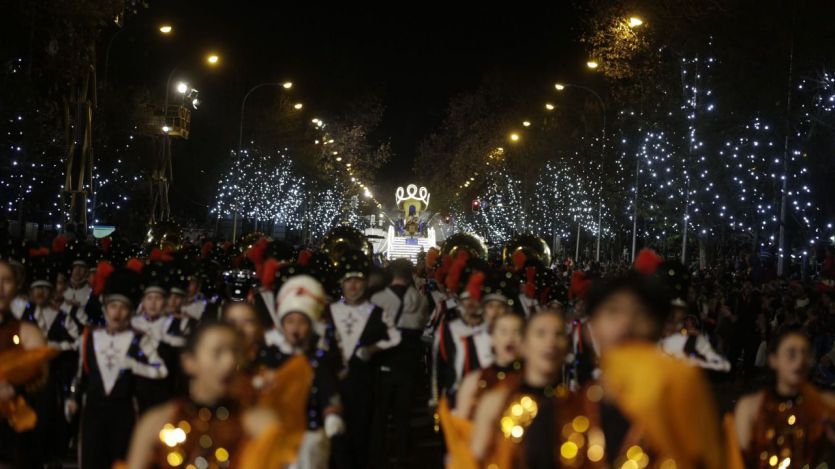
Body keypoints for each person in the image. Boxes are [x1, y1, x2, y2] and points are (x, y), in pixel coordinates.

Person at [529, 273, 725, 469]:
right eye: (613, 311)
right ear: (590, 330)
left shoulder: (684, 410)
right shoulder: (558, 415)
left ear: (658, 330)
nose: (626, 324)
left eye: (640, 313)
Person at [125, 321, 290, 469]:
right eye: (218, 352)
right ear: (189, 362)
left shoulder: (260, 425)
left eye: (235, 352)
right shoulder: (157, 423)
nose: (230, 362)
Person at [66, 264, 168, 469]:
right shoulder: (90, 336)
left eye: (123, 308)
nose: (117, 313)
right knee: (91, 459)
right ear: (105, 309)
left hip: (124, 413)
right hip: (93, 411)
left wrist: (134, 365)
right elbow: (80, 374)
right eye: (113, 306)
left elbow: (160, 369)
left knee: (122, 460)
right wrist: (73, 398)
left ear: (130, 312)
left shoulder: (139, 339)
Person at [256, 275, 344, 469]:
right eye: (290, 322)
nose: (296, 328)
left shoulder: (317, 360)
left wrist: (331, 415)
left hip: (309, 436)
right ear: (282, 325)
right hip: (275, 433)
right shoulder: (270, 358)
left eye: (301, 322)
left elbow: (327, 387)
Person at [324, 249, 398, 469]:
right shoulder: (328, 311)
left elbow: (394, 338)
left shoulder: (376, 312)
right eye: (349, 281)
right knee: (334, 443)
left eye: (358, 281)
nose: (353, 286)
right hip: (333, 388)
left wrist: (374, 348)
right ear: (342, 284)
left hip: (364, 387)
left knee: (361, 441)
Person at [468, 309, 568, 467]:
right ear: (524, 345)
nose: (551, 342)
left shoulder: (576, 404)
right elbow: (473, 460)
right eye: (541, 334)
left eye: (559, 334)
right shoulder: (497, 401)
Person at [730, 325, 835, 467]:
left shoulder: (824, 404)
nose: (799, 361)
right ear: (773, 359)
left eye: (805, 353)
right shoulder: (751, 407)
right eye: (791, 354)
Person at [369, 258, 430, 468]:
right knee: (403, 412)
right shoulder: (420, 299)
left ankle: (378, 455)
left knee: (380, 412)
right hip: (409, 360)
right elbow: (422, 324)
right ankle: (403, 455)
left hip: (384, 359)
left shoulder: (378, 298)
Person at [0, 257, 48, 468]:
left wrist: (15, 384)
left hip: (15, 428)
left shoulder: (28, 330)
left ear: (16, 285)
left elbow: (40, 376)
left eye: (6, 280)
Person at [454, 311, 524, 419]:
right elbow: (460, 426)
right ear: (492, 338)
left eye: (517, 332)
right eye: (504, 332)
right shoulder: (473, 381)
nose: (511, 337)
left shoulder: (535, 379)